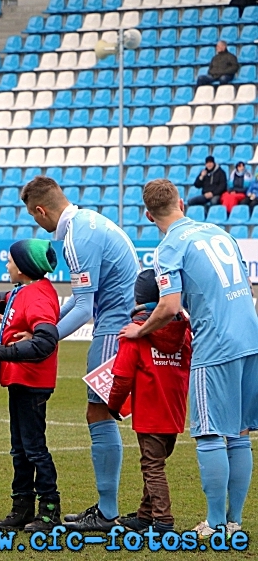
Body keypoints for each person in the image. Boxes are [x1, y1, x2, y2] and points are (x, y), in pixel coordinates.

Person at [120, 178, 258, 539]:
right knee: (240, 434)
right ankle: (234, 520)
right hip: (251, 336)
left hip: (217, 344)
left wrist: (141, 330)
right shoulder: (218, 232)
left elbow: (169, 306)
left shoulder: (168, 248)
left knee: (211, 434)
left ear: (149, 216)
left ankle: (214, 524)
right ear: (181, 201)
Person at [20, 175, 139, 531]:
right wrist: (47, 324)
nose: (35, 223)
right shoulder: (89, 223)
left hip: (113, 329)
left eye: (33, 216)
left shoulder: (77, 237)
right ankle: (111, 507)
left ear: (40, 211)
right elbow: (79, 298)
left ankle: (107, 511)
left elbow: (86, 308)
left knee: (98, 412)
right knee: (102, 413)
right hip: (123, 321)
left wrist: (44, 339)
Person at [0, 241, 61, 532]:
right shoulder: (27, 290)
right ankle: (22, 508)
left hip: (32, 382)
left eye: (9, 261)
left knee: (33, 449)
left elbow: (46, 341)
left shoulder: (37, 297)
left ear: (22, 268)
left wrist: (3, 352)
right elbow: (4, 301)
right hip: (21, 380)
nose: (6, 266)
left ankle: (49, 510)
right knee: (20, 449)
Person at [108, 270, 191, 533]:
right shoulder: (183, 330)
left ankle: (163, 520)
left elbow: (121, 376)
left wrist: (113, 404)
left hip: (149, 410)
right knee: (155, 462)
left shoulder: (135, 333)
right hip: (174, 408)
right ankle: (145, 515)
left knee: (152, 466)